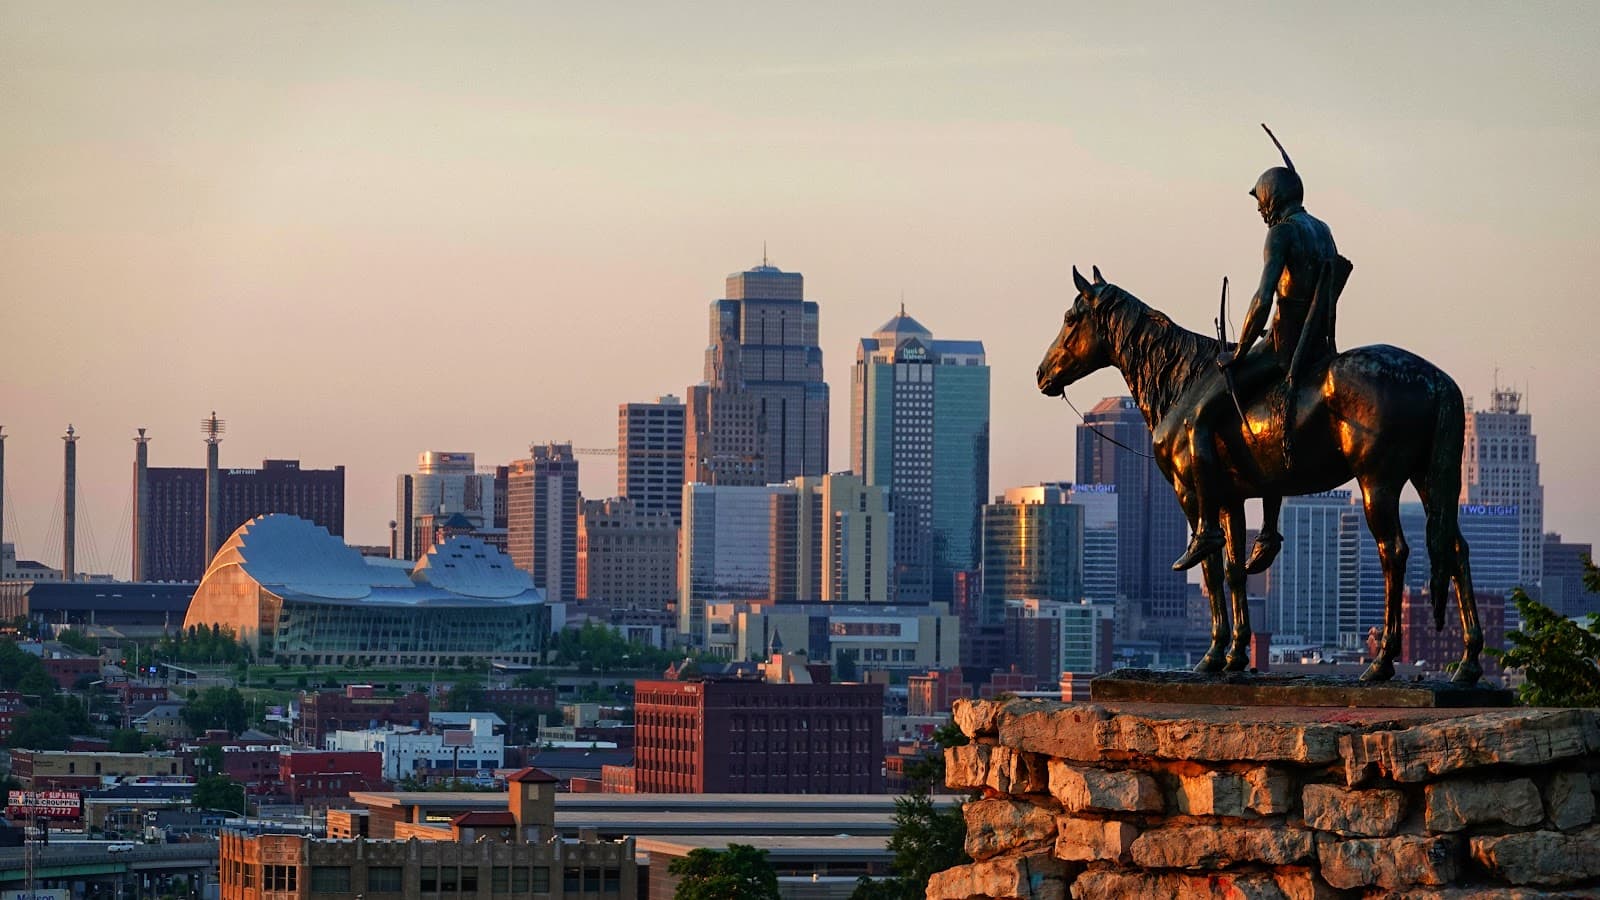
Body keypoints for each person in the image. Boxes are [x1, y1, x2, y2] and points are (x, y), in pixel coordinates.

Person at [1171, 126, 1340, 572]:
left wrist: (1240, 350)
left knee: (1199, 417)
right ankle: (1267, 528)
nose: (1261, 210)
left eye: (1261, 201)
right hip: (1320, 347)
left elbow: (1264, 298)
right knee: (1260, 419)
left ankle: (1207, 527)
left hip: (1284, 349)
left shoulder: (1282, 234)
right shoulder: (1323, 230)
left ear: (1273, 198)